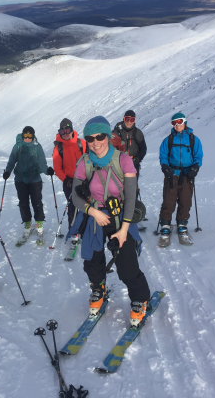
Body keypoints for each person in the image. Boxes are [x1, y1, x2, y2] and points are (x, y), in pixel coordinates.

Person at [69, 116, 151, 327]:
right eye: (90, 138)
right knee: (92, 261)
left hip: (120, 218)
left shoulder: (123, 159)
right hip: (96, 216)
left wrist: (124, 229)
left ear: (107, 135)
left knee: (127, 266)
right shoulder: (84, 162)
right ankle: (98, 289)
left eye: (100, 136)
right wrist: (92, 212)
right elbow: (75, 196)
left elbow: (131, 197)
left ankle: (140, 299)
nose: (96, 142)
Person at [158, 112, 203, 243]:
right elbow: (163, 155)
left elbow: (198, 156)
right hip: (172, 174)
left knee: (185, 200)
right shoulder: (168, 140)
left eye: (179, 122)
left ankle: (182, 224)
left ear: (184, 122)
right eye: (174, 123)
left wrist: (196, 167)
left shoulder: (194, 139)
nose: (177, 125)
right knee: (168, 200)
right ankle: (165, 224)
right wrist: (165, 166)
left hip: (187, 175)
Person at [3, 126, 54, 243]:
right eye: (25, 136)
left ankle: (39, 226)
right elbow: (12, 160)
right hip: (20, 179)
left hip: (35, 179)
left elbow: (42, 162)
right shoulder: (18, 146)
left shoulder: (37, 147)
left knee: (37, 203)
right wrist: (7, 171)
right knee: (23, 203)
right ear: (22, 135)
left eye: (29, 136)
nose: (27, 138)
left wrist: (47, 171)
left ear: (33, 136)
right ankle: (27, 225)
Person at [52, 118, 87, 242]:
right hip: (69, 182)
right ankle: (74, 232)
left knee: (87, 205)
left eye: (67, 130)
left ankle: (86, 229)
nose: (65, 133)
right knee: (72, 206)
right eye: (63, 131)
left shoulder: (82, 143)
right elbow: (57, 168)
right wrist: (66, 179)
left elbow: (89, 160)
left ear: (72, 130)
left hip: (84, 180)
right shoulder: (58, 148)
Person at [111, 110, 147, 186]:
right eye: (127, 119)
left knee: (132, 187)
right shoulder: (116, 132)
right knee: (117, 186)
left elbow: (143, 148)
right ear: (124, 119)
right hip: (118, 165)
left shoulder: (138, 133)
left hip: (133, 165)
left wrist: (137, 159)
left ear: (135, 120)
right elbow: (109, 148)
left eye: (132, 119)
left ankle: (133, 197)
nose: (129, 122)